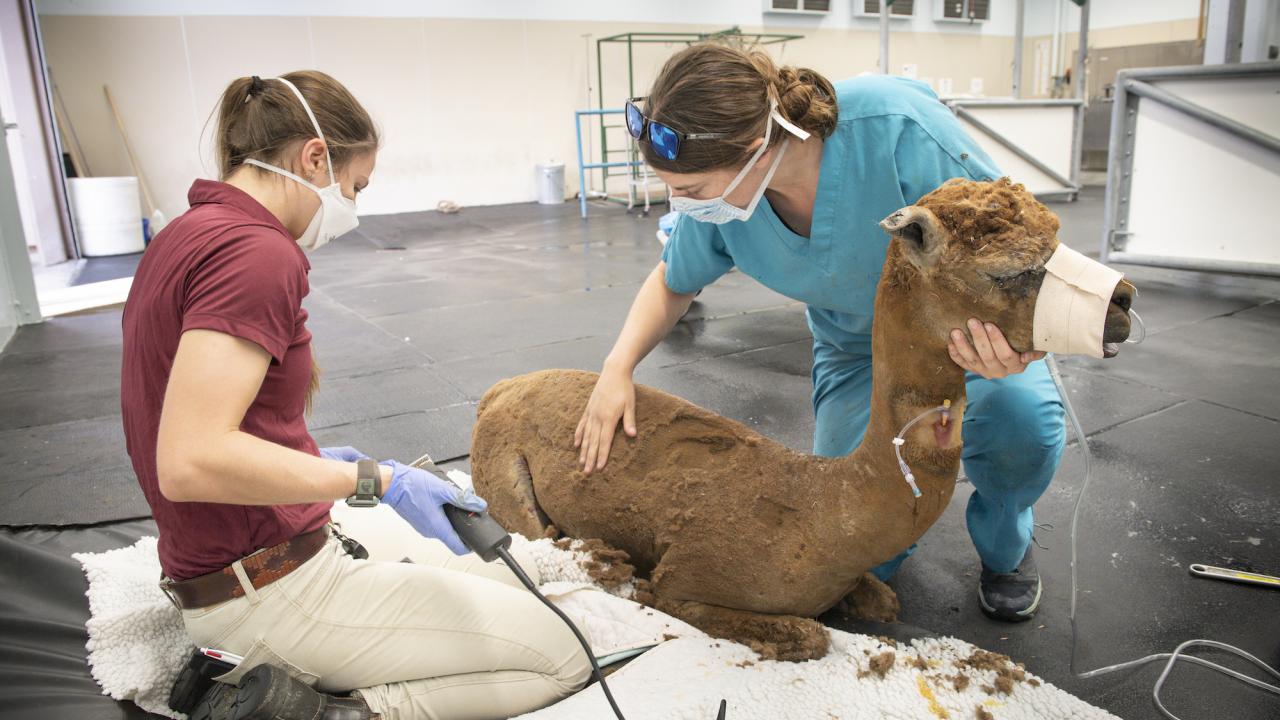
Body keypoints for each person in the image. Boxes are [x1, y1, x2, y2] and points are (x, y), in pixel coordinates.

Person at [121, 71, 589, 720]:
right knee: (564, 654)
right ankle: (328, 712)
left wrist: (307, 457)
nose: (355, 207)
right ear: (315, 157)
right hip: (268, 594)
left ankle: (277, 665)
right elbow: (190, 460)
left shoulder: (186, 233)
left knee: (519, 578)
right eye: (355, 186)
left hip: (229, 567)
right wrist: (371, 480)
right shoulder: (256, 255)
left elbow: (195, 406)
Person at [575, 44, 1065, 623]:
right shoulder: (725, 205)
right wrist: (616, 368)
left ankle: (1006, 545)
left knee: (1021, 424)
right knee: (844, 524)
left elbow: (1022, 242)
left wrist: (1019, 345)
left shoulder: (896, 129)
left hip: (964, 339)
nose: (682, 206)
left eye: (696, 191)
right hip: (856, 351)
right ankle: (886, 547)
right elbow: (672, 282)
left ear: (757, 152)